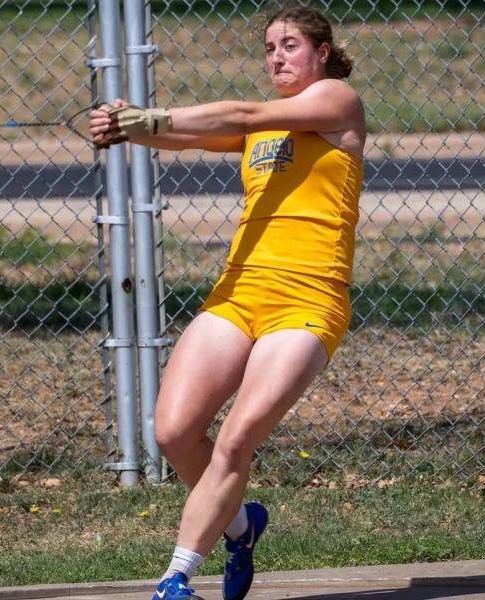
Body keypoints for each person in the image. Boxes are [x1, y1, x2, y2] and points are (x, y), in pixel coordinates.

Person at [89, 5, 365, 600]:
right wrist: (126, 126)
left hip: (308, 301)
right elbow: (186, 135)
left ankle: (177, 576)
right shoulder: (261, 126)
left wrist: (151, 114)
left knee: (237, 438)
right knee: (174, 432)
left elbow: (239, 112)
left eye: (290, 45)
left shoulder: (337, 102)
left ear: (321, 52)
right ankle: (242, 528)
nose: (277, 56)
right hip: (239, 293)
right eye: (269, 47)